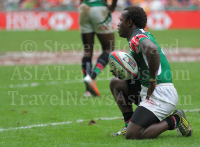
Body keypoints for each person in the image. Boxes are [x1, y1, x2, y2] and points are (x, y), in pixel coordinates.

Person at [110, 6, 192, 139]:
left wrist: (152, 81)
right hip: (149, 90)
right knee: (116, 83)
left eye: (121, 20)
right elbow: (143, 69)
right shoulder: (142, 35)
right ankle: (128, 124)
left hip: (160, 94)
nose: (118, 24)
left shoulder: (137, 38)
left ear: (129, 22)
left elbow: (153, 50)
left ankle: (175, 119)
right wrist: (124, 74)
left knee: (133, 135)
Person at [79, 0, 118, 97]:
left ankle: (88, 91)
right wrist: (112, 6)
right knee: (108, 49)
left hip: (84, 7)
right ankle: (92, 77)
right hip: (99, 8)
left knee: (87, 51)